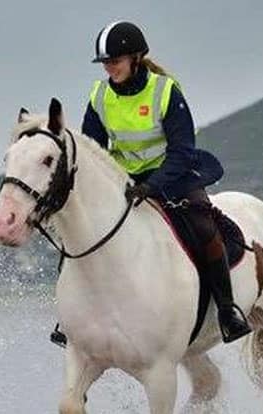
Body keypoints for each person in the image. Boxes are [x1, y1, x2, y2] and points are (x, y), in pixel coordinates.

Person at [81, 21, 251, 343]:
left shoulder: (164, 90)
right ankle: (73, 319)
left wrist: (152, 186)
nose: (109, 68)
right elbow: (92, 149)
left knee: (203, 225)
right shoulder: (99, 95)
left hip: (172, 175)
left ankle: (228, 310)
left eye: (114, 61)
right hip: (125, 181)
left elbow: (182, 150)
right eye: (105, 63)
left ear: (135, 57)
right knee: (84, 230)